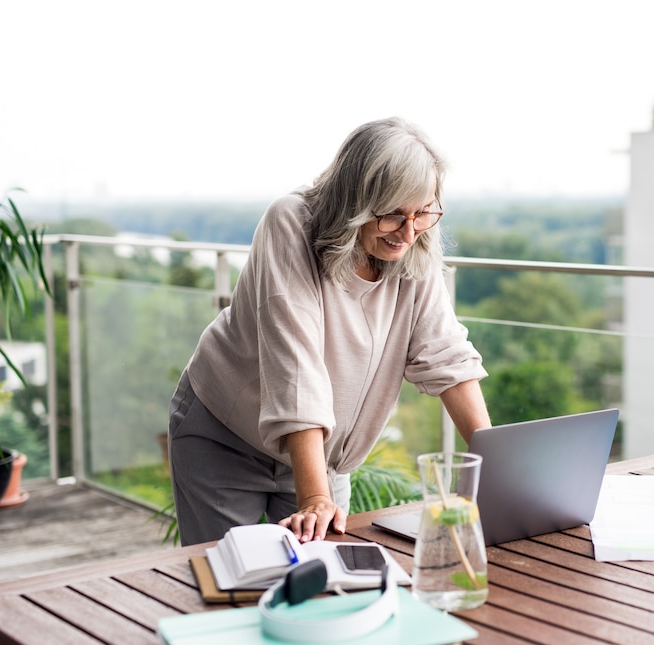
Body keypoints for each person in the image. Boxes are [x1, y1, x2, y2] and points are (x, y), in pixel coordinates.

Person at [168, 117, 491, 546]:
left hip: (326, 460)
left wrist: (497, 462)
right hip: (226, 438)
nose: (409, 232)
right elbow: (295, 365)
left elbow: (446, 354)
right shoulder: (291, 223)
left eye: (423, 212)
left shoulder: (415, 245)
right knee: (235, 582)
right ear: (356, 201)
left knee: (326, 584)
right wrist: (316, 496)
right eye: (393, 215)